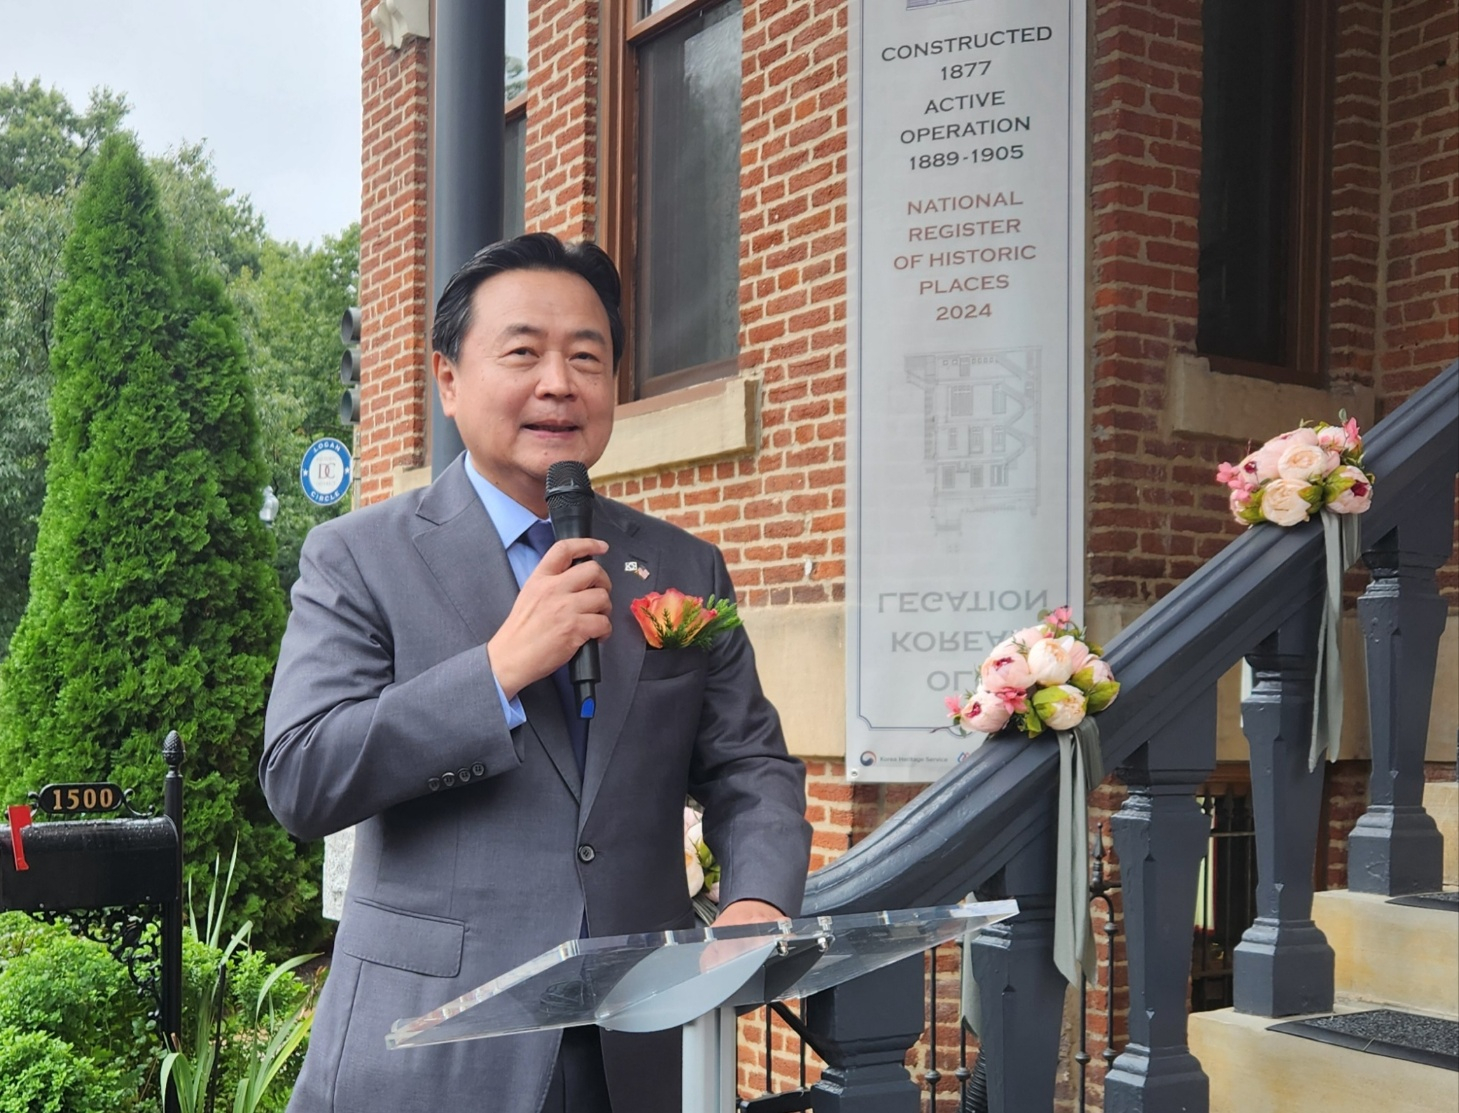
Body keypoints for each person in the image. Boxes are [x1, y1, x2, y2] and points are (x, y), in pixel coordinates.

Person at [260, 232, 812, 1113]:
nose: (559, 381)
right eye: (523, 352)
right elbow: (302, 773)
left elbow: (752, 766)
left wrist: (756, 898)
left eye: (586, 357)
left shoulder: (682, 566)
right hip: (432, 1050)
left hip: (634, 1044)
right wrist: (496, 672)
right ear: (448, 379)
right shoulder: (357, 557)